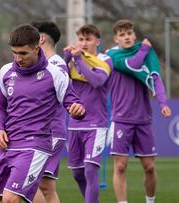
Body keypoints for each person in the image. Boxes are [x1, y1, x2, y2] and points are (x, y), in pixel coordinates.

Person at [0, 24, 85, 203]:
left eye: (23, 53)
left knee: (11, 199)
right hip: (7, 145)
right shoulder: (6, 72)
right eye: (14, 53)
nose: (18, 58)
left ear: (37, 48)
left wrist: (77, 110)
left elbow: (74, 103)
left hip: (34, 146)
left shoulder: (55, 73)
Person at [106, 19, 171, 203]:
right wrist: (143, 49)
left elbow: (155, 77)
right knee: (120, 166)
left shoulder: (146, 52)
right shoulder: (112, 55)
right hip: (121, 118)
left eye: (128, 34)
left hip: (143, 118)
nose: (126, 37)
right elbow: (133, 64)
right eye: (122, 34)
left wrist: (163, 103)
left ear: (134, 35)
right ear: (116, 38)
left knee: (149, 167)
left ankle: (150, 202)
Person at [63, 24, 113, 203]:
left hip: (96, 123)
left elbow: (97, 81)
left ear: (97, 41)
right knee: (77, 173)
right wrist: (66, 57)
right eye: (81, 39)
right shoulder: (74, 60)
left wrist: (78, 60)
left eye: (88, 39)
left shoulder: (104, 60)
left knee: (90, 170)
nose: (84, 43)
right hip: (75, 123)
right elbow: (62, 79)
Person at [30, 21, 67, 203]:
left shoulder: (56, 64)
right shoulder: (43, 64)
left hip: (49, 132)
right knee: (46, 188)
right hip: (45, 132)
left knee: (29, 186)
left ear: (41, 38)